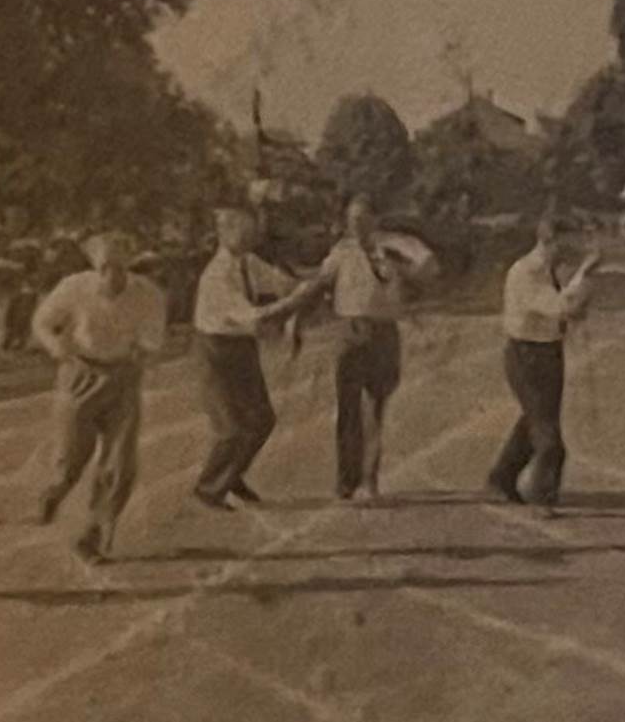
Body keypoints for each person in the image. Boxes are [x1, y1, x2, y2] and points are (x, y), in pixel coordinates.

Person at [276, 194, 435, 503]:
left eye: (362, 221)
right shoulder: (341, 254)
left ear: (375, 221)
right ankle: (345, 480)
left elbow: (428, 268)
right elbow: (317, 287)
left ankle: (369, 480)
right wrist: (296, 320)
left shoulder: (393, 251)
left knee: (375, 409)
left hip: (384, 333)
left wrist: (399, 249)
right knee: (348, 410)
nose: (357, 227)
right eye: (352, 222)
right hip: (350, 331)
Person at [31, 231, 167, 566]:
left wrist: (142, 350)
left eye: (119, 267)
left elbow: (153, 338)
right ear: (96, 267)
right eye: (105, 267)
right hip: (80, 372)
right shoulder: (74, 287)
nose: (112, 275)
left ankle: (92, 533)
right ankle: (56, 490)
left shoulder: (148, 294)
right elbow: (43, 321)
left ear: (129, 267)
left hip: (123, 375)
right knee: (72, 457)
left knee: (120, 463)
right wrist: (55, 345)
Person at [190, 206, 302, 511]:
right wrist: (295, 302)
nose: (254, 236)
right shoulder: (216, 276)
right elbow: (253, 317)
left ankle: (232, 475)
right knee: (231, 427)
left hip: (241, 349)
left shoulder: (248, 262)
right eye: (245, 230)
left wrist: (307, 285)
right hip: (216, 350)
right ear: (226, 233)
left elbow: (282, 284)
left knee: (263, 419)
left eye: (254, 230)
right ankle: (208, 488)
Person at [487, 216, 600, 512]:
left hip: (549, 353)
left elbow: (573, 308)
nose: (569, 251)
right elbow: (562, 308)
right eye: (565, 244)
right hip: (525, 356)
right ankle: (542, 497)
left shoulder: (552, 271)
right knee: (548, 437)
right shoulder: (525, 272)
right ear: (548, 241)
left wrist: (583, 281)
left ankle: (501, 478)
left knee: (535, 420)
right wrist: (586, 272)